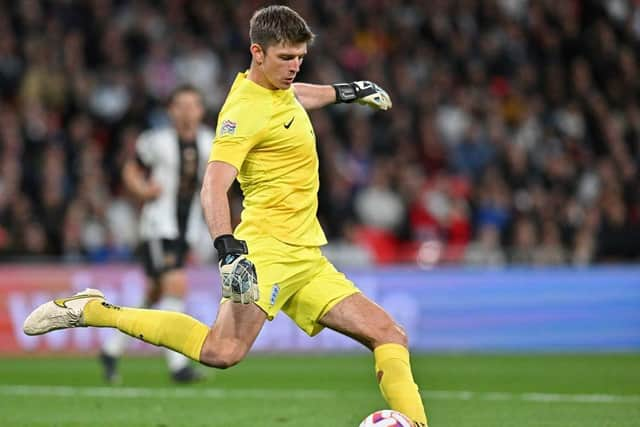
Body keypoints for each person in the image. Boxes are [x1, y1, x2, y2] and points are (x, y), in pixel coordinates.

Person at [23, 6, 428, 426]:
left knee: (389, 334)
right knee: (222, 351)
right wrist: (228, 250)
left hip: (306, 255)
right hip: (267, 250)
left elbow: (297, 95)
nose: (294, 67)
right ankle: (94, 310)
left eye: (299, 58)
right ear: (257, 52)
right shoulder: (242, 113)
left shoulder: (278, 89)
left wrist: (347, 91)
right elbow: (213, 185)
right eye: (285, 58)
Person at [99, 85, 213, 383]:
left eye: (193, 105)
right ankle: (178, 367)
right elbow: (131, 170)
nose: (187, 111)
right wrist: (142, 190)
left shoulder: (209, 142)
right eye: (181, 105)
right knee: (176, 285)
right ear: (171, 110)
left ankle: (110, 350)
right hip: (158, 226)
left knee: (153, 293)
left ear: (201, 110)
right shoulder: (156, 141)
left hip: (188, 227)